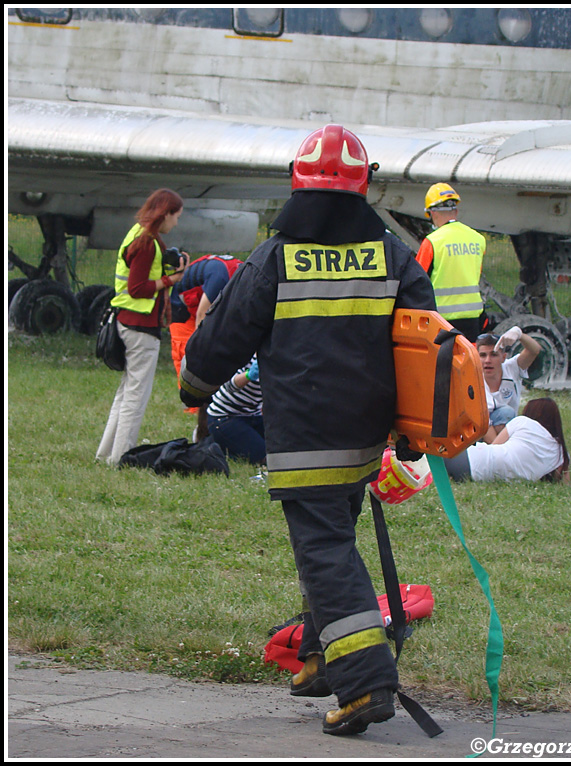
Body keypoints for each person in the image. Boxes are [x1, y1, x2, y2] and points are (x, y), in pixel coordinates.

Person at [179, 124, 436, 736]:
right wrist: (413, 431)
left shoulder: (277, 256)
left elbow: (226, 333)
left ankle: (367, 683)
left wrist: (193, 386)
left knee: (324, 552)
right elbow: (427, 342)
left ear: (297, 183)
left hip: (303, 437)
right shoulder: (394, 255)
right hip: (366, 438)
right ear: (362, 187)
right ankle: (324, 658)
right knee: (335, 540)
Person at [96, 188, 188, 466]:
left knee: (125, 393)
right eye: (176, 216)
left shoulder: (137, 233)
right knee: (136, 397)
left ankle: (106, 454)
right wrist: (173, 280)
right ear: (165, 213)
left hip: (126, 321)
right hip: (140, 326)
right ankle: (120, 457)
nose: (176, 222)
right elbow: (138, 288)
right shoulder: (149, 243)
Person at [415, 182, 486, 342]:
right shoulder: (478, 239)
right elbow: (476, 274)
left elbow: (416, 280)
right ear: (456, 210)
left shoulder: (432, 242)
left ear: (432, 212)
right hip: (472, 319)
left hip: (441, 321)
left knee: (443, 365)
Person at [444, 397, 570, 483]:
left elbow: (495, 445)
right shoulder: (560, 452)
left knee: (435, 451)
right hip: (478, 474)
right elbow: (565, 481)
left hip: (473, 460)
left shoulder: (523, 422)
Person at [169, 254, 243, 393]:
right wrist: (202, 350)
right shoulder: (221, 278)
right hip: (181, 308)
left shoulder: (244, 276)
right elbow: (202, 316)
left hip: (201, 305)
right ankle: (192, 404)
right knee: (188, 354)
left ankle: (213, 397)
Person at [477, 328, 541, 442]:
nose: (487, 360)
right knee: (505, 412)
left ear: (503, 357)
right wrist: (498, 451)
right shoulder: (472, 379)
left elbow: (534, 350)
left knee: (506, 412)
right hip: (479, 432)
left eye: (494, 355)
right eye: (482, 355)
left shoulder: (511, 368)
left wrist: (519, 334)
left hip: (507, 428)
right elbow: (483, 422)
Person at [204, 355, 265, 464]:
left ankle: (227, 445)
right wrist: (248, 375)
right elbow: (228, 385)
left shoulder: (280, 356)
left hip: (254, 415)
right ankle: (216, 444)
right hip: (225, 417)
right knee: (264, 457)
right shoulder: (246, 352)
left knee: (282, 449)